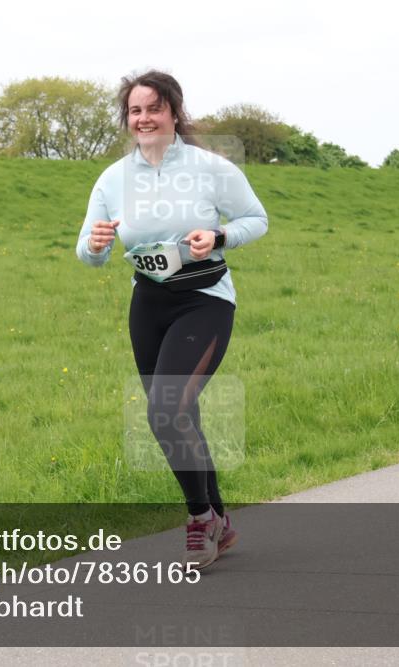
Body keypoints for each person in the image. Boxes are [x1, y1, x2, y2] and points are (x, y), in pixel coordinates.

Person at [76, 70, 268, 569]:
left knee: (164, 410)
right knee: (181, 413)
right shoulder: (113, 179)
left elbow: (256, 219)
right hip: (149, 304)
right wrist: (95, 245)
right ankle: (220, 519)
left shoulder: (211, 168)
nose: (144, 119)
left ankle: (200, 518)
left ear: (174, 113)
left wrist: (219, 237)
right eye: (135, 111)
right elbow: (89, 250)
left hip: (204, 299)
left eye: (154, 108)